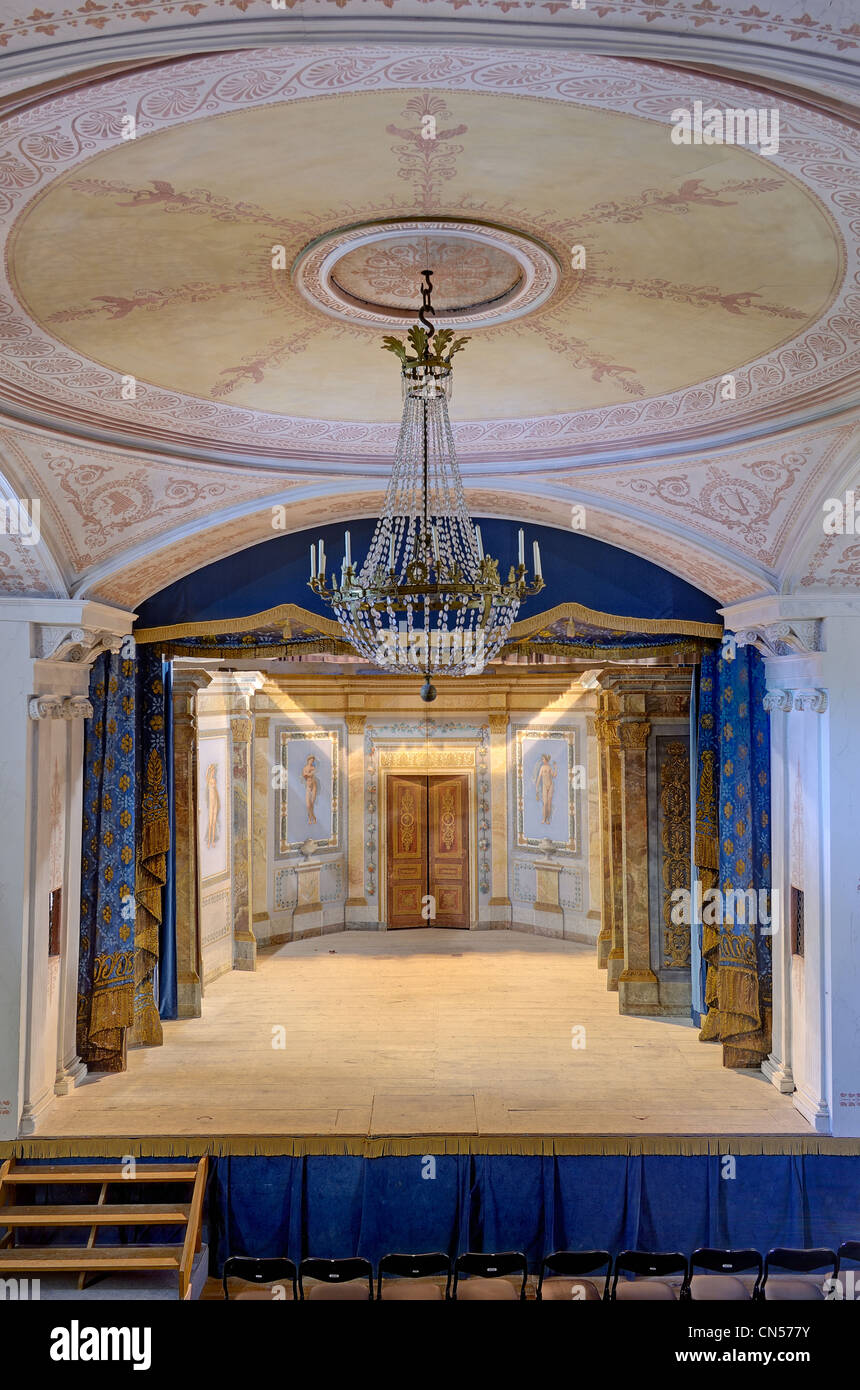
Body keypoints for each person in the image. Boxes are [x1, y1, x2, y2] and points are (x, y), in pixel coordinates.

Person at [534, 753, 557, 825]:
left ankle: (547, 819)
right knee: (545, 803)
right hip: (544, 786)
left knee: (549, 804)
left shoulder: (549, 767)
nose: (542, 760)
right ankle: (544, 818)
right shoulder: (542, 767)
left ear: (546, 759)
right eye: (542, 759)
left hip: (550, 786)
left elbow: (554, 776)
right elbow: (539, 777)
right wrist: (537, 786)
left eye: (543, 759)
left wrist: (555, 768)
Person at [302, 754, 319, 825]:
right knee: (308, 805)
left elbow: (309, 774)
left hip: (314, 785)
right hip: (308, 785)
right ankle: (313, 817)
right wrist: (307, 774)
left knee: (312, 803)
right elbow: (304, 775)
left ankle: (310, 819)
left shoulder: (313, 768)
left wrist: (307, 774)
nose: (311, 762)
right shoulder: (305, 768)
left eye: (313, 760)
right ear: (308, 760)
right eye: (311, 760)